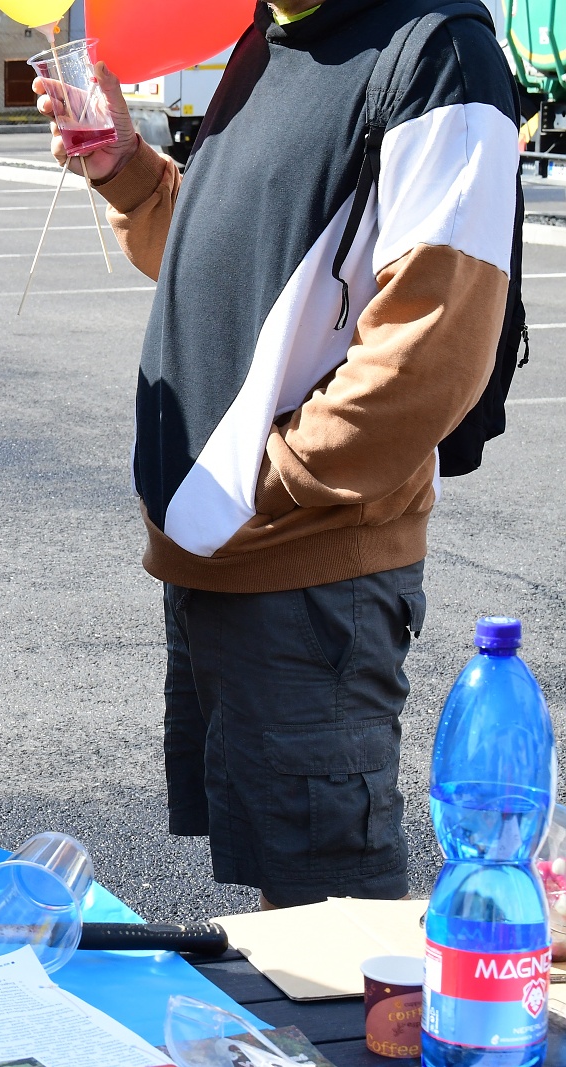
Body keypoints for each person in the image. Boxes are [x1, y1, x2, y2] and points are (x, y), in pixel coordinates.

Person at [37, 0, 519, 908]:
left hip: (306, 569)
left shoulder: (437, 55)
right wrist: (127, 169)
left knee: (330, 918)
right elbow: (240, 260)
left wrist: (262, 485)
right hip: (222, 552)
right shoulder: (270, 37)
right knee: (281, 910)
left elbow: (431, 350)